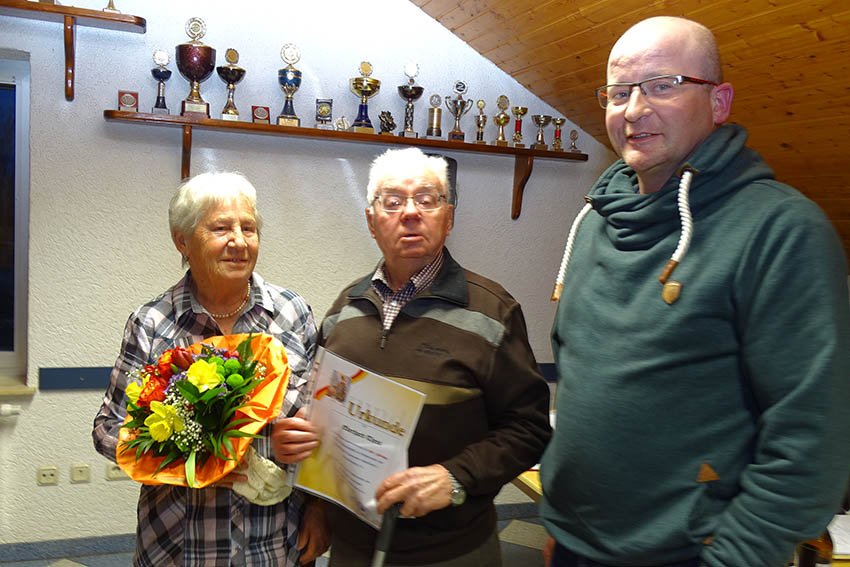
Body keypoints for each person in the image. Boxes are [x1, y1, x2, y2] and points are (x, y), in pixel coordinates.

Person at [540, 16, 850, 567]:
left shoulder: (781, 231)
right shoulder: (592, 220)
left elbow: (811, 439)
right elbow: (580, 377)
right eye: (619, 92)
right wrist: (562, 526)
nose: (634, 110)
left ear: (720, 101)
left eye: (663, 85)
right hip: (575, 545)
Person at [317, 147, 552, 566]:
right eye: (393, 202)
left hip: (452, 552)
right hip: (350, 547)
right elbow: (321, 415)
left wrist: (456, 477)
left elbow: (529, 429)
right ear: (372, 222)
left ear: (448, 217)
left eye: (426, 199)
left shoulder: (493, 312)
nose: (410, 212)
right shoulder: (342, 311)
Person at [92, 171, 329, 566]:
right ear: (182, 241)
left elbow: (324, 420)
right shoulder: (152, 322)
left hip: (272, 545)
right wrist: (193, 450)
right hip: (179, 547)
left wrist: (320, 509)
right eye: (221, 227)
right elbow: (107, 430)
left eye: (248, 228)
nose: (239, 241)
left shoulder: (291, 312)